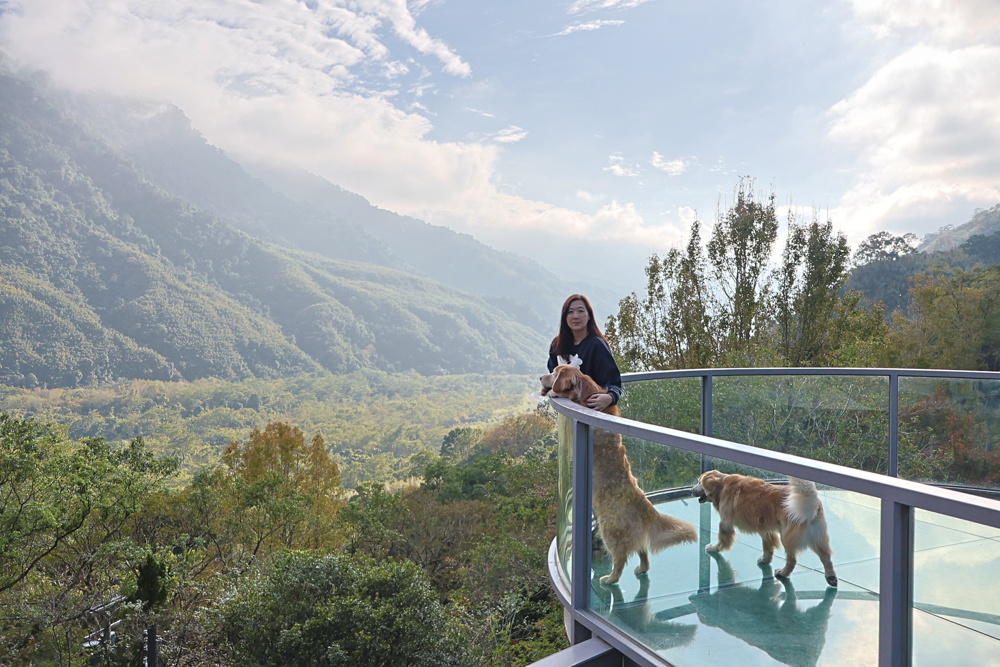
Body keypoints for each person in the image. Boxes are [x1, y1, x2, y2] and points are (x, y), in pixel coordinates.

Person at [546, 294, 622, 411]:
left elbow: (613, 381)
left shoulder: (597, 345)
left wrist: (610, 397)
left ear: (589, 316)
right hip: (568, 412)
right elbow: (554, 376)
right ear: (565, 317)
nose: (575, 316)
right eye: (570, 312)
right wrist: (547, 387)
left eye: (581, 311)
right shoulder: (557, 344)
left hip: (594, 412)